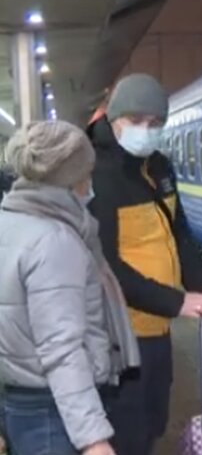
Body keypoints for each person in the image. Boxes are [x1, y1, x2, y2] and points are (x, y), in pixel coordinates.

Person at [86, 73, 202, 455]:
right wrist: (178, 302)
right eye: (136, 121)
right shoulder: (95, 174)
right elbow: (105, 267)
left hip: (157, 329)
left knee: (153, 423)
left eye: (155, 123)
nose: (145, 131)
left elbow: (179, 234)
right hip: (119, 335)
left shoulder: (159, 167)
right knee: (126, 432)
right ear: (114, 119)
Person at [0, 120, 142, 455]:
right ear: (72, 180)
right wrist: (94, 439)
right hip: (54, 413)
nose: (91, 183)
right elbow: (62, 349)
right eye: (87, 173)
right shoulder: (54, 240)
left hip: (21, 402)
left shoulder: (9, 222)